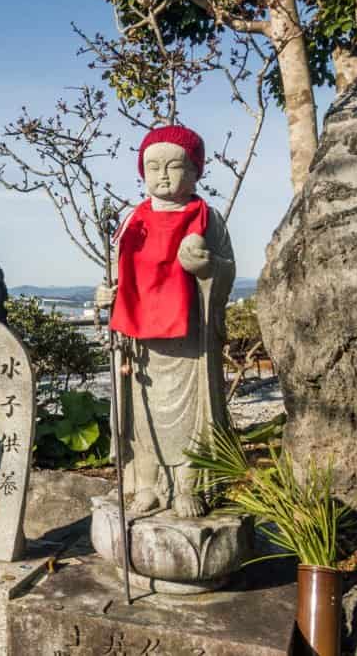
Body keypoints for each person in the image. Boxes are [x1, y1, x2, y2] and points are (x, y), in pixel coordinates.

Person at [95, 125, 235, 518]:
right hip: (140, 340)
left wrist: (207, 266)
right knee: (142, 412)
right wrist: (106, 293)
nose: (162, 175)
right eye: (153, 166)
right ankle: (148, 485)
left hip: (190, 336)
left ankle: (187, 486)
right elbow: (118, 273)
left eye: (174, 166)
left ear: (195, 171)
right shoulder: (132, 222)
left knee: (190, 417)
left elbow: (227, 270)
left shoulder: (208, 219)